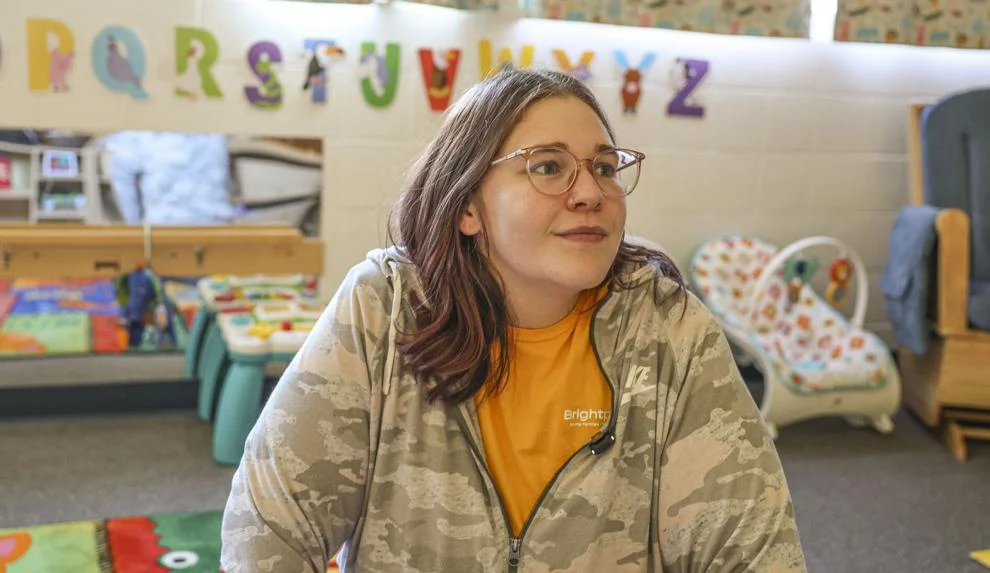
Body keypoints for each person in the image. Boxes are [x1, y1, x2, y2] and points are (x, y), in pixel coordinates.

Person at [220, 68, 807, 572]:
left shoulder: (667, 329)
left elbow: (751, 549)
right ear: (469, 205)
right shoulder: (386, 307)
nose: (591, 193)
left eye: (604, 167)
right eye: (548, 167)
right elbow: (269, 529)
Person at [100, 130, 236, 225]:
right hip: (168, 226)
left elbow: (121, 177)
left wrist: (133, 223)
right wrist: (134, 225)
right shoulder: (142, 132)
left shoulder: (214, 127)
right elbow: (122, 176)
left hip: (211, 224)